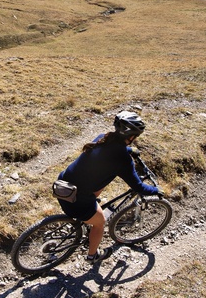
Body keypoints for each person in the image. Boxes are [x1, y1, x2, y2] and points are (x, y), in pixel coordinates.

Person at [56, 110, 161, 264]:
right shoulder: (123, 161)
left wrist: (130, 150)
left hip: (63, 185)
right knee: (100, 222)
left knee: (99, 184)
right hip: (75, 199)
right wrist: (157, 190)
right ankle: (93, 256)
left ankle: (88, 215)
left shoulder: (101, 138)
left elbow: (112, 149)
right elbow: (139, 187)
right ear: (131, 137)